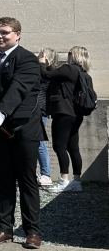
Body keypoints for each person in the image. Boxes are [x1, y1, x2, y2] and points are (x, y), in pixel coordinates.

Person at [0, 17, 43, 249]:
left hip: (23, 129)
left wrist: (2, 113)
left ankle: (32, 231)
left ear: (17, 34)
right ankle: (4, 229)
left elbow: (19, 88)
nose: (0, 36)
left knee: (26, 180)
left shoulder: (27, 59)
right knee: (4, 180)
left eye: (5, 32)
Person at [40, 46, 91, 193]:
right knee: (73, 147)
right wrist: (48, 66)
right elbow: (53, 74)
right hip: (76, 114)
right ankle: (76, 182)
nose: (67, 57)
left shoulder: (69, 69)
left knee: (59, 146)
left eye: (69, 54)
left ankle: (64, 180)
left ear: (73, 56)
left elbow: (46, 74)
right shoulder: (81, 72)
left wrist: (43, 62)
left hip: (63, 113)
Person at [35, 47, 57, 186]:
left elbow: (41, 79)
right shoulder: (42, 71)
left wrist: (42, 64)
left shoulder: (49, 73)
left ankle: (46, 174)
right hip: (34, 110)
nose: (38, 57)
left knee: (38, 142)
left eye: (41, 55)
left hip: (40, 111)